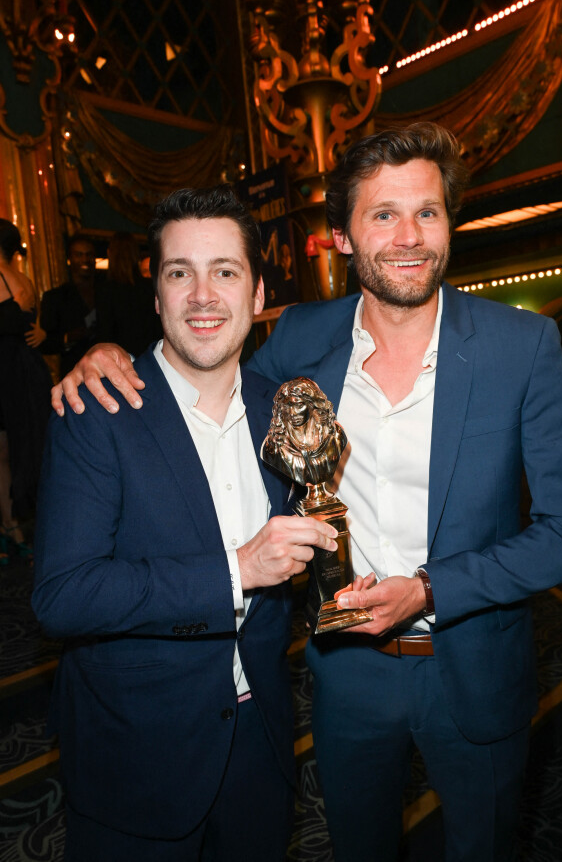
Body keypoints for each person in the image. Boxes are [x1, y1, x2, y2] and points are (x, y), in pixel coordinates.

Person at [49, 124, 562, 862]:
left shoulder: (521, 349)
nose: (408, 237)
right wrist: (103, 356)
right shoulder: (301, 339)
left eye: (427, 212)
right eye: (382, 215)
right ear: (342, 237)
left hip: (476, 672)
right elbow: (201, 359)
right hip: (346, 678)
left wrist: (430, 589)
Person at [32, 186, 337, 862]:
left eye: (225, 271)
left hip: (259, 749)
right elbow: (61, 596)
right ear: (157, 294)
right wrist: (236, 571)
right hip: (137, 762)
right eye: (180, 273)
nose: (203, 295)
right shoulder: (98, 409)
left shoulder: (280, 410)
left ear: (258, 294)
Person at [0, 220, 52, 559]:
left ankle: (10, 528)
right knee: (26, 445)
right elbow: (35, 330)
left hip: (6, 372)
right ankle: (18, 525)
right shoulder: (26, 281)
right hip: (29, 371)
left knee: (4, 452)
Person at [40, 233, 103, 379]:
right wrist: (68, 338)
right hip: (74, 375)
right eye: (78, 255)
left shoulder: (108, 292)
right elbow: (45, 343)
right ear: (69, 259)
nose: (84, 259)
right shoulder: (55, 297)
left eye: (89, 254)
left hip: (110, 373)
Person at [99, 231, 161, 356]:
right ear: (136, 255)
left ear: (109, 253)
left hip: (120, 361)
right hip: (151, 357)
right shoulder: (150, 287)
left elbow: (104, 335)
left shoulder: (106, 291)